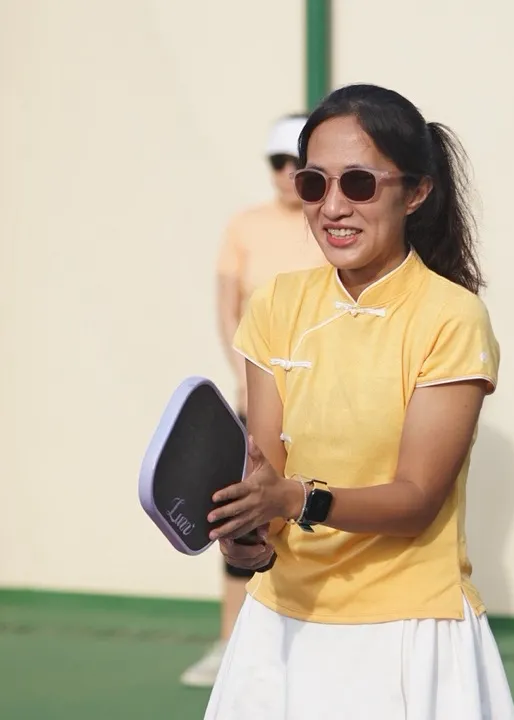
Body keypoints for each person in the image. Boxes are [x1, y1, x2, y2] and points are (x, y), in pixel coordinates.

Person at [203, 83, 514, 719]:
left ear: (416, 191)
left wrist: (294, 499)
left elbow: (415, 500)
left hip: (409, 632)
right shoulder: (276, 305)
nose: (333, 206)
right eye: (314, 183)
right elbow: (266, 475)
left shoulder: (451, 318)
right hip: (280, 628)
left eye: (360, 184)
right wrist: (249, 538)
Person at [180, 114, 326, 688]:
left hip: (322, 398)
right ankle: (229, 643)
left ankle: (311, 639)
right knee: (243, 513)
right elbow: (229, 307)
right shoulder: (245, 225)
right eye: (278, 161)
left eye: (299, 162)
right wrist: (245, 375)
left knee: (317, 507)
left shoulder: (330, 221)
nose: (289, 172)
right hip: (259, 393)